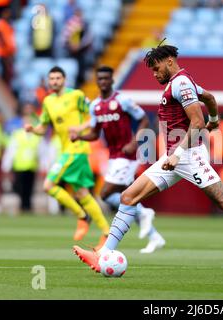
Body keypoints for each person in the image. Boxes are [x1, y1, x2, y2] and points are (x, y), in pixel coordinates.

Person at [73, 44, 223, 272]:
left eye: (156, 68)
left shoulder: (181, 83)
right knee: (128, 197)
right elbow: (209, 97)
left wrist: (178, 153)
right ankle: (103, 253)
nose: (154, 74)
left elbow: (197, 122)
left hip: (186, 155)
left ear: (169, 61)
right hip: (175, 156)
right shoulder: (184, 82)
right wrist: (215, 119)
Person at [69, 65, 166, 254]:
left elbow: (144, 119)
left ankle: (144, 213)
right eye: (100, 79)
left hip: (127, 155)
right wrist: (79, 136)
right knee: (128, 198)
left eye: (106, 78)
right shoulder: (95, 106)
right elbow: (95, 134)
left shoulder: (122, 100)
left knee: (105, 194)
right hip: (113, 157)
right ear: (97, 82)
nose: (103, 82)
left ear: (112, 80)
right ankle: (155, 237)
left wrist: (134, 142)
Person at [25, 66, 110, 248]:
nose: (54, 81)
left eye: (57, 78)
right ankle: (106, 232)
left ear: (64, 79)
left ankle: (81, 215)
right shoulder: (48, 101)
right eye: (52, 79)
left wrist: (81, 128)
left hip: (77, 148)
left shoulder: (76, 95)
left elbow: (97, 112)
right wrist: (33, 129)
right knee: (83, 194)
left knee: (48, 185)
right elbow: (43, 127)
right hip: (67, 150)